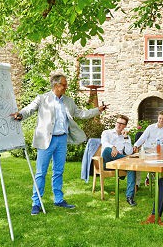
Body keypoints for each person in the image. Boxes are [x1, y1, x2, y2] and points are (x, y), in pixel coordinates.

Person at [11, 70, 106, 215]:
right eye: (64, 84)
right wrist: (20, 114)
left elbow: (80, 113)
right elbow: (30, 109)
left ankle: (58, 199)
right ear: (56, 85)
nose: (66, 87)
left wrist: (97, 110)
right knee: (40, 173)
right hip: (46, 140)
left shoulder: (68, 101)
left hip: (61, 139)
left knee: (58, 171)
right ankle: (36, 202)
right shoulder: (42, 98)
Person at [101, 115, 137, 206]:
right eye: (118, 122)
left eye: (122, 123)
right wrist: (113, 147)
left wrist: (125, 138)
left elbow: (129, 152)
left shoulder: (126, 137)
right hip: (107, 162)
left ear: (125, 126)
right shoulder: (106, 133)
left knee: (131, 168)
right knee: (107, 150)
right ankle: (126, 161)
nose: (119, 125)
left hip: (120, 162)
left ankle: (129, 197)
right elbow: (104, 143)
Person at [133, 111, 163, 187]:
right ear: (158, 118)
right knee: (138, 164)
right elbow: (143, 138)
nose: (161, 120)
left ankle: (148, 177)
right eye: (160, 118)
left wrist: (158, 148)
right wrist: (136, 145)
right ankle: (136, 184)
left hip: (158, 150)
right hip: (147, 150)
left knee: (157, 162)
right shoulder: (150, 127)